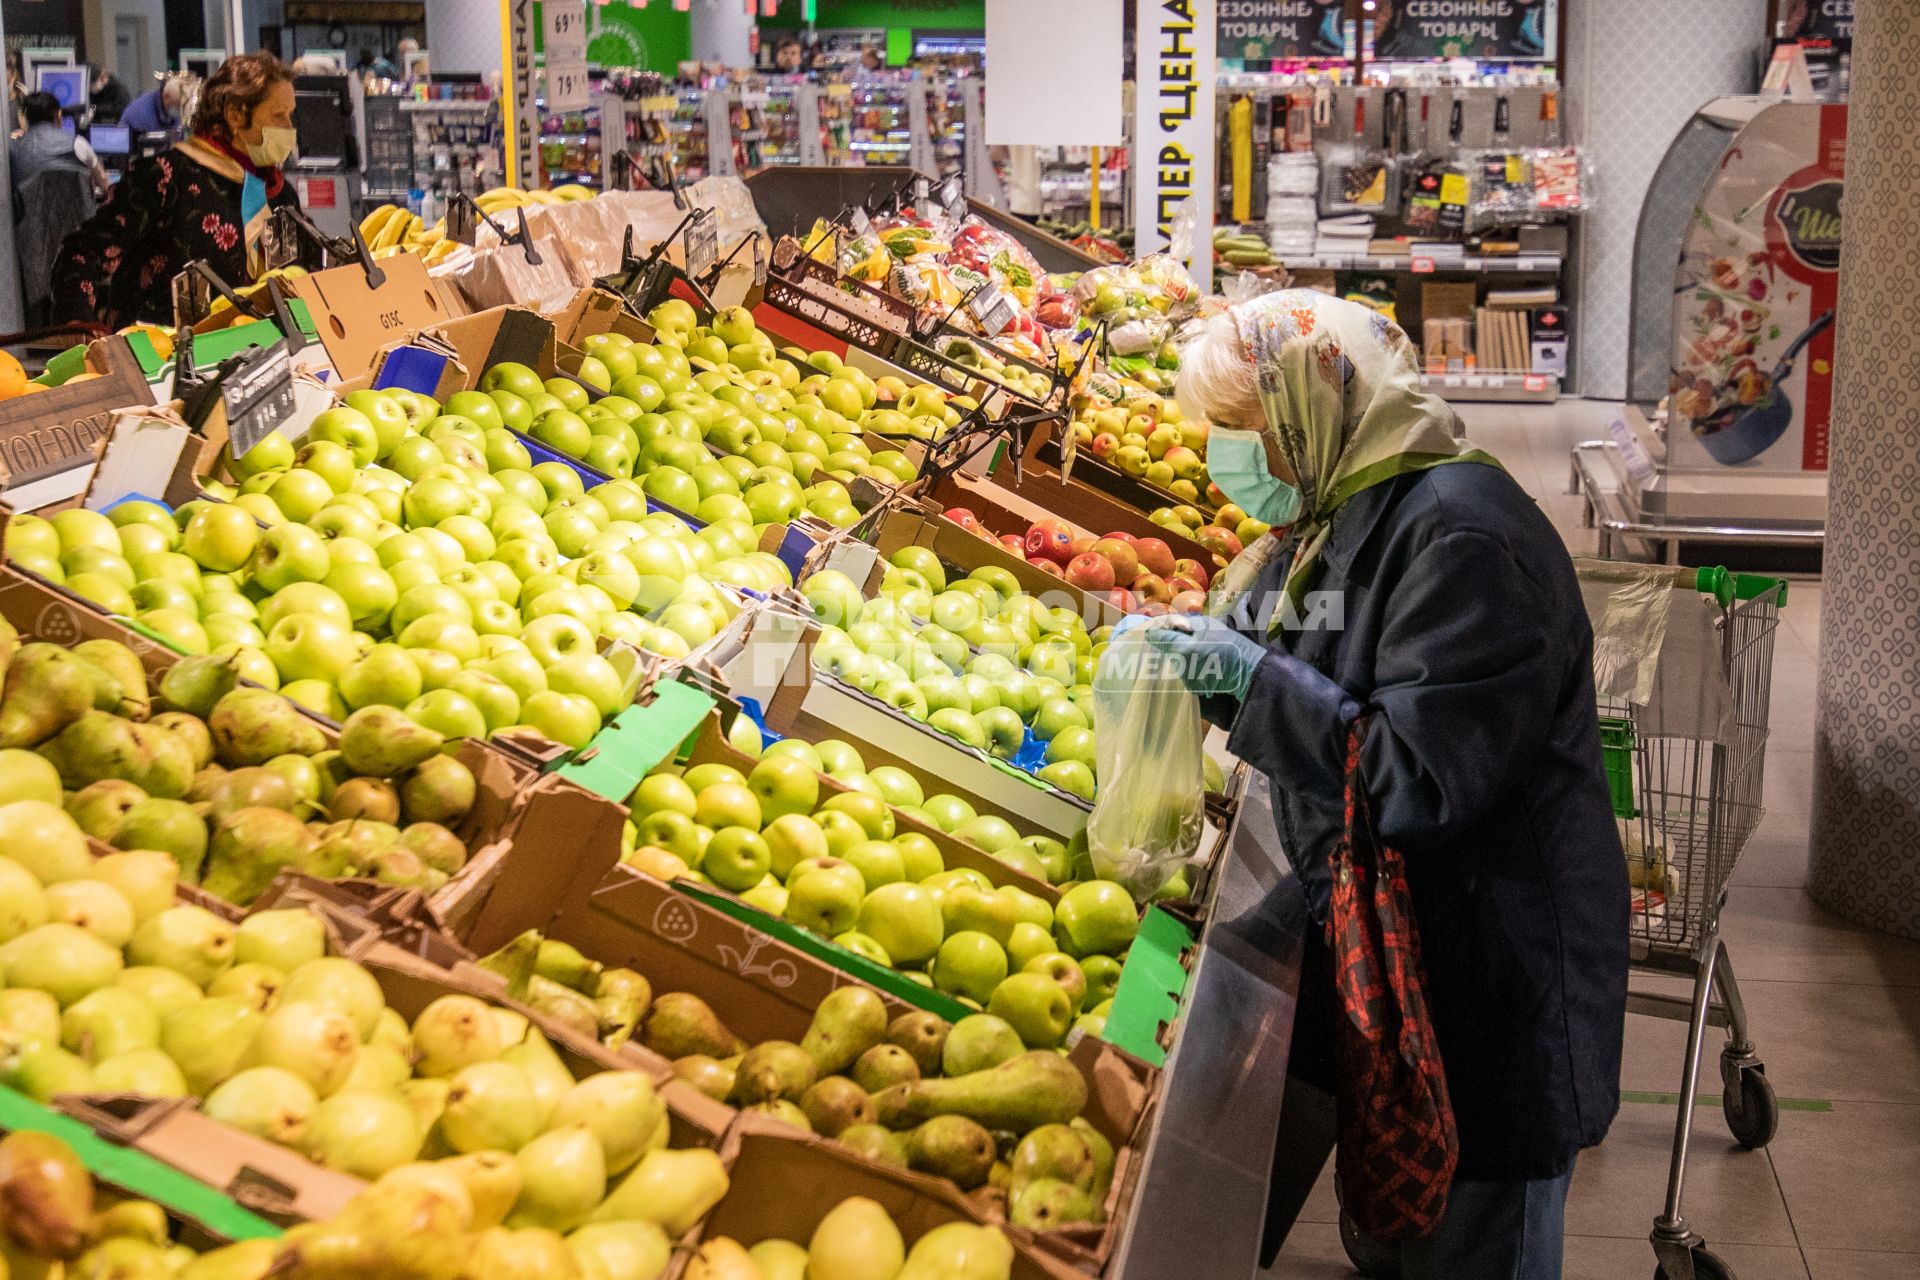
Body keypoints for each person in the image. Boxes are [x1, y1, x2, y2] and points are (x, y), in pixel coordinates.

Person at [1121, 291, 1627, 1279]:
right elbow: (1320, 647)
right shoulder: (1352, 506)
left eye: (1241, 433)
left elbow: (1418, 775)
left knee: (1476, 1240)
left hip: (1488, 978)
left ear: (1308, 414)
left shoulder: (1462, 539)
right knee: (1402, 1234)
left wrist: (1244, 674)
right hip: (1404, 948)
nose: (1232, 461)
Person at [52, 52, 304, 329]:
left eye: (290, 115)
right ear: (235, 114)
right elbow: (82, 253)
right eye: (279, 115)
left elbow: (304, 272)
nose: (290, 128)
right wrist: (79, 326)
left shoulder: (278, 192)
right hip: (161, 359)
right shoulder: (166, 177)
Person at [12, 91, 107, 319]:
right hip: (76, 240)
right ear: (58, 115)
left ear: (25, 117)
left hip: (31, 245)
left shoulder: (12, 151)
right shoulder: (77, 143)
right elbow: (104, 184)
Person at [122, 73, 186, 135]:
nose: (177, 110)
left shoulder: (163, 105)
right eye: (176, 105)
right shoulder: (143, 116)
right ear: (167, 97)